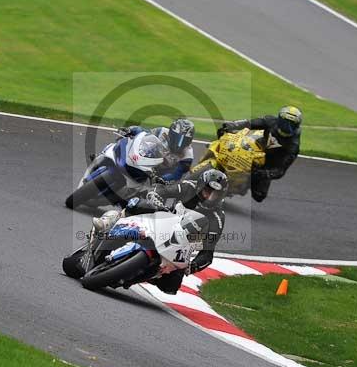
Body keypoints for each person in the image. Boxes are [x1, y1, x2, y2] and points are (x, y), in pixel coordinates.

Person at [93, 168, 228, 294]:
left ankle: (142, 274)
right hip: (164, 219)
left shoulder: (217, 218)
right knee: (137, 204)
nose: (209, 197)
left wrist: (192, 267)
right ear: (200, 186)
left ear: (221, 196)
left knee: (171, 286)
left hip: (180, 244)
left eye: (214, 195)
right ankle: (109, 222)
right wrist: (156, 197)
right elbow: (164, 190)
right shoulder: (189, 187)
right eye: (207, 191)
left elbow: (207, 253)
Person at [218, 105, 302, 203]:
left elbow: (280, 170)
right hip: (254, 146)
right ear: (279, 120)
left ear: (296, 126)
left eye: (291, 124)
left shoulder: (293, 146)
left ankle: (236, 186)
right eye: (284, 122)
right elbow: (249, 123)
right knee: (227, 135)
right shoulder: (270, 120)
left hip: (267, 164)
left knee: (259, 195)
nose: (286, 126)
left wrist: (264, 173)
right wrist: (232, 125)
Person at [117, 118, 195, 182]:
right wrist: (130, 130)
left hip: (159, 175)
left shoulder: (188, 157)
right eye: (176, 138)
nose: (179, 144)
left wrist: (162, 179)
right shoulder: (161, 131)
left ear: (189, 141)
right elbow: (144, 133)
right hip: (145, 160)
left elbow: (177, 174)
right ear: (171, 133)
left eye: (184, 140)